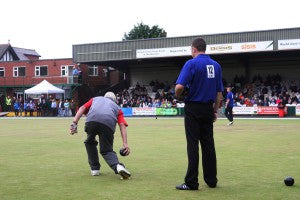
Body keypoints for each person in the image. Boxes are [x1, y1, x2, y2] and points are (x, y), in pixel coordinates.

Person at [175, 38, 223, 190]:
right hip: (208, 108)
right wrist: (215, 110)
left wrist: (179, 95)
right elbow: (219, 94)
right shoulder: (216, 65)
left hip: (193, 107)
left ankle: (191, 182)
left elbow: (179, 87)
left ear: (194, 49)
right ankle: (211, 180)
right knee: (208, 144)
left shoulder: (191, 63)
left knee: (193, 144)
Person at [69, 92, 131, 179]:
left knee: (90, 142)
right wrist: (125, 144)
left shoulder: (95, 99)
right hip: (108, 125)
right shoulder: (117, 108)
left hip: (91, 122)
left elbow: (82, 108)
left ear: (104, 97)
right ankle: (118, 166)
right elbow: (122, 125)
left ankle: (95, 170)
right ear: (114, 100)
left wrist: (74, 123)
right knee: (106, 150)